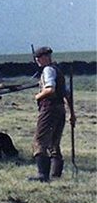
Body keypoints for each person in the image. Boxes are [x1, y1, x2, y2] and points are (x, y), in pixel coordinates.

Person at [29, 46, 76, 182]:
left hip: (49, 108)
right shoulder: (58, 71)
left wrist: (38, 96)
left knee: (40, 141)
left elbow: (50, 89)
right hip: (60, 108)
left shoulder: (48, 70)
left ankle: (42, 175)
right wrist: (72, 113)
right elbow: (67, 94)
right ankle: (56, 174)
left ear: (45, 57)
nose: (37, 60)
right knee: (54, 143)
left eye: (38, 57)